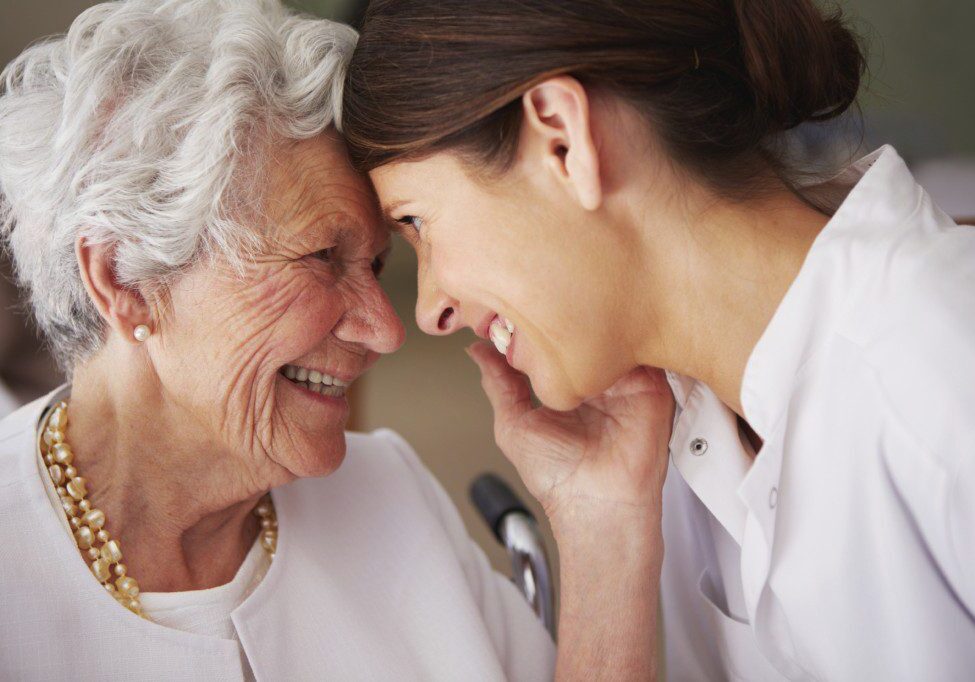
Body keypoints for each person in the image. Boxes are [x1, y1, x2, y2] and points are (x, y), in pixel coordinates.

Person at [342, 0, 975, 679]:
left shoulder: (939, 367)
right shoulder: (683, 435)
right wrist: (602, 523)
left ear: (562, 140)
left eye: (416, 221)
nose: (431, 308)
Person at [0, 1, 554, 679]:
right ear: (124, 278)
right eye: (322, 255)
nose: (385, 330)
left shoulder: (389, 491)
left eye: (376, 266)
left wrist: (601, 518)